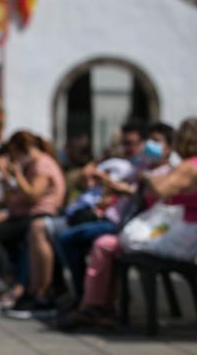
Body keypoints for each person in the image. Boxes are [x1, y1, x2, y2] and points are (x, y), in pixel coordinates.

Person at [58, 120, 193, 331]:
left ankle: (95, 305)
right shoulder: (149, 165)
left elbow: (161, 192)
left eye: (156, 141)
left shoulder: (182, 168)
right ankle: (93, 302)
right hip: (156, 226)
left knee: (102, 244)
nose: (150, 146)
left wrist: (144, 179)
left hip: (168, 230)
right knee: (82, 239)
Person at [0, 131, 65, 314]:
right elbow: (13, 198)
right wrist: (6, 178)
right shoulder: (32, 165)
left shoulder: (42, 165)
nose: (12, 157)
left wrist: (16, 174)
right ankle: (7, 281)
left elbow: (33, 195)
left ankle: (14, 281)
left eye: (12, 152)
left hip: (39, 215)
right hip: (25, 214)